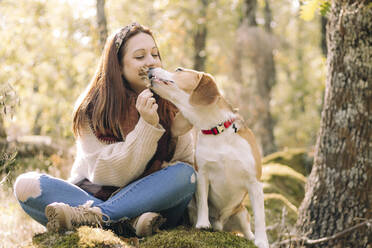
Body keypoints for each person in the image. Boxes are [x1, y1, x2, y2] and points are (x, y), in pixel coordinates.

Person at [13, 22, 196, 237]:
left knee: (186, 175)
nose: (151, 62)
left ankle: (94, 217)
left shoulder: (170, 103)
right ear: (117, 65)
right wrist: (147, 126)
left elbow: (183, 168)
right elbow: (108, 174)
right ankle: (126, 223)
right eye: (140, 57)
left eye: (155, 55)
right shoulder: (92, 108)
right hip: (91, 193)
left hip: (151, 202)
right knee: (26, 185)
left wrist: (174, 134)